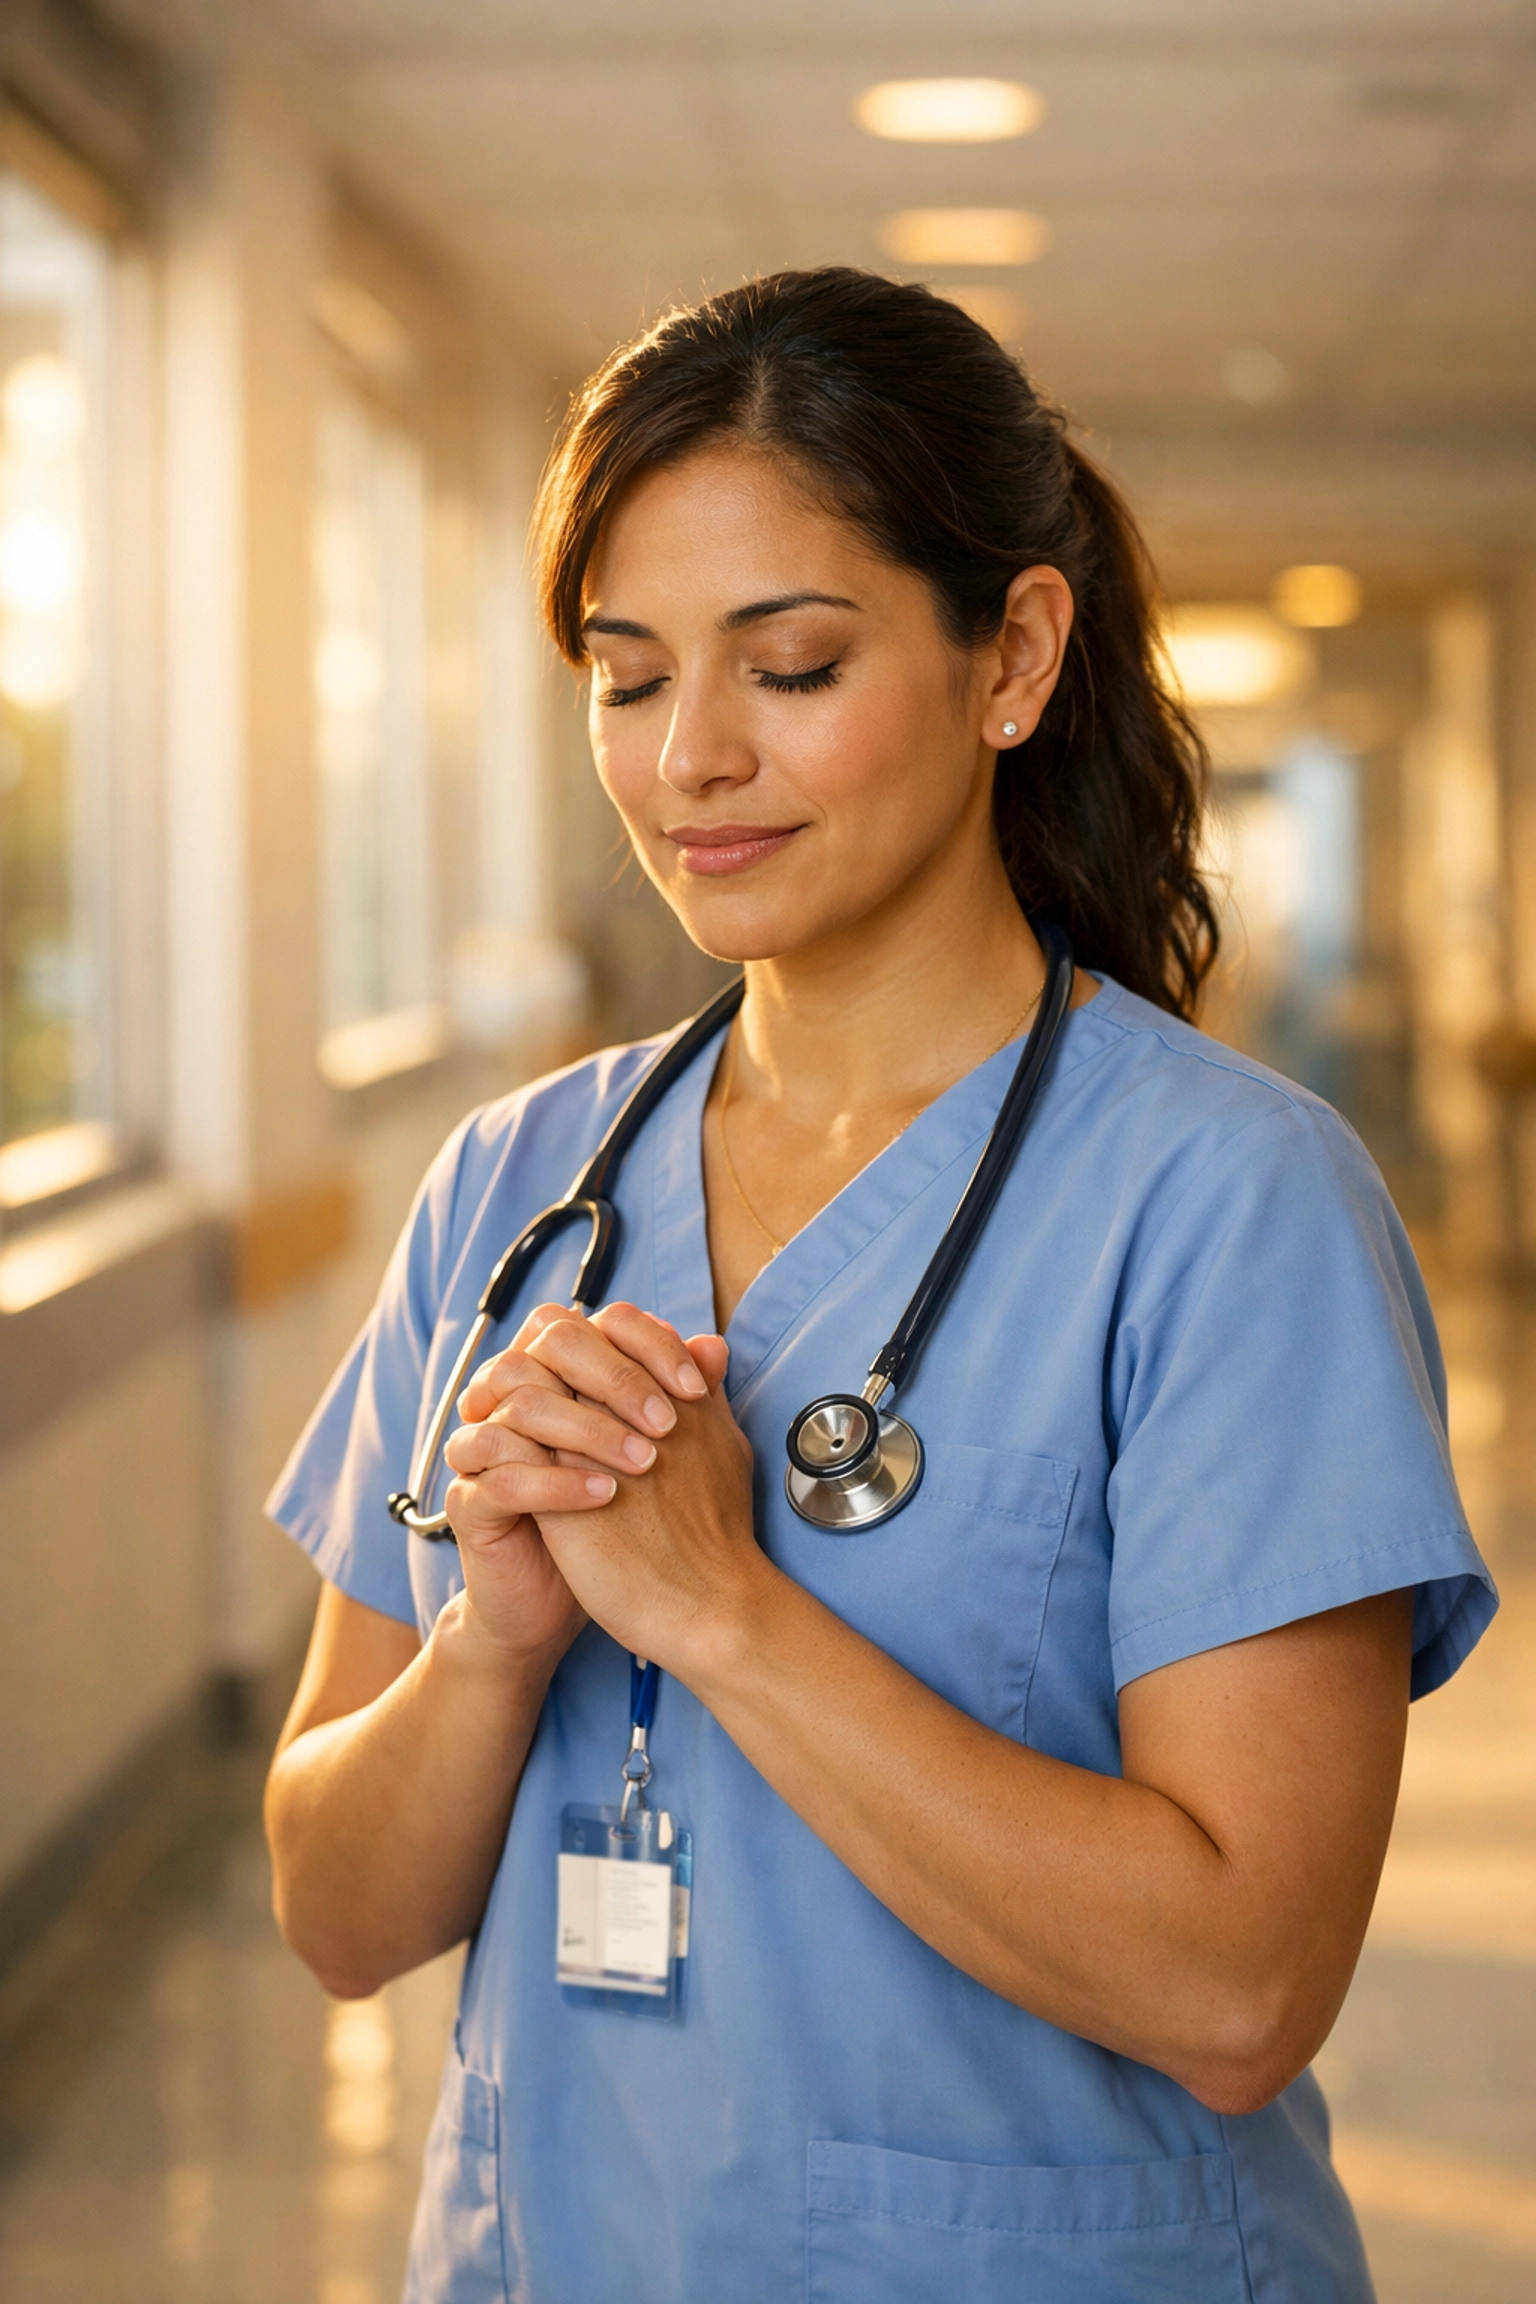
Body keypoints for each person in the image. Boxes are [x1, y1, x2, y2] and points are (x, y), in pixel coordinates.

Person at [264, 268, 1494, 2304]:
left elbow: (1241, 1984)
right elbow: (332, 1910)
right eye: (628, 674)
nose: (692, 762)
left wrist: (725, 1613)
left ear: (1013, 657)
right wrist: (492, 1644)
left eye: (794, 664)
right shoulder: (520, 1185)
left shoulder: (1228, 1204)